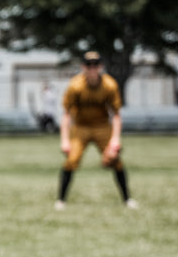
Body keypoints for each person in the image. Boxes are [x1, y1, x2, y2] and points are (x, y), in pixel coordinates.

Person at [55, 51, 137, 210]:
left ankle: (127, 199)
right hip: (80, 127)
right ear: (83, 67)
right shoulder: (75, 85)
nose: (92, 69)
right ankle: (61, 201)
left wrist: (115, 140)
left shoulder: (109, 85)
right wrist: (64, 140)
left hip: (102, 126)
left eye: (95, 65)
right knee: (71, 160)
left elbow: (116, 115)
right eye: (88, 65)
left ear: (101, 66)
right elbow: (66, 114)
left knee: (117, 162)